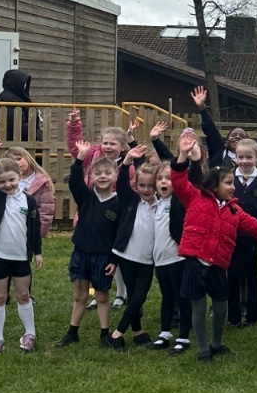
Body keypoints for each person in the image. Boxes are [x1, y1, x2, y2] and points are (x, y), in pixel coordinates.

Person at [171, 129, 257, 363]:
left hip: (219, 265)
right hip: (196, 263)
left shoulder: (234, 210)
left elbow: (255, 226)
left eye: (233, 183)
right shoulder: (195, 198)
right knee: (199, 306)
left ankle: (217, 343)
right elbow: (178, 181)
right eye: (228, 183)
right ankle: (203, 348)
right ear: (214, 185)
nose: (233, 188)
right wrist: (182, 156)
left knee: (221, 305)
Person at [55, 139, 133, 348]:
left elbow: (119, 236)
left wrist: (114, 260)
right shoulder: (86, 197)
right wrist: (80, 159)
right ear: (91, 177)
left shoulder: (118, 203)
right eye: (98, 173)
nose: (103, 176)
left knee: (101, 296)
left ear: (115, 176)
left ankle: (104, 333)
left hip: (103, 258)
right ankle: (72, 332)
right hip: (81, 254)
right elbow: (74, 182)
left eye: (107, 173)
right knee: (80, 295)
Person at [0, 137, 43, 352]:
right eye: (2, 182)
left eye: (12, 180)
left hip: (21, 257)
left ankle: (30, 334)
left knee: (23, 295)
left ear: (19, 176)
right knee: (0, 296)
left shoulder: (29, 201)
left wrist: (37, 252)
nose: (8, 185)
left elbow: (34, 228)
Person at [109, 149, 158, 349]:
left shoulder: (161, 205)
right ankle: (137, 332)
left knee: (139, 297)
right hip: (127, 256)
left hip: (147, 259)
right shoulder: (130, 200)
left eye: (150, 186)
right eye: (141, 185)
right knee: (132, 295)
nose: (146, 190)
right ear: (136, 185)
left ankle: (117, 332)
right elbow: (121, 184)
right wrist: (127, 161)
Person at [148, 127, 192, 353]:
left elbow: (183, 172)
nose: (163, 182)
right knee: (167, 296)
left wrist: (182, 155)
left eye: (168, 178)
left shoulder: (180, 201)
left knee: (182, 297)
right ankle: (165, 332)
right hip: (160, 260)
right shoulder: (155, 203)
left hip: (178, 258)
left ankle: (183, 336)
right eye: (159, 179)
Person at [226, 138, 257, 328]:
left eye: (249, 157)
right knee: (232, 274)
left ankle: (253, 313)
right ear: (235, 158)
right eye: (241, 157)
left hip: (252, 236)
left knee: (251, 273)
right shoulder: (229, 178)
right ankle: (233, 314)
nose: (244, 161)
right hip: (232, 235)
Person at [9, 148, 56, 240]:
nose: (17, 163)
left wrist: (38, 234)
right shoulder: (8, 182)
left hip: (30, 231)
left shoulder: (42, 182)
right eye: (12, 162)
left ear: (27, 157)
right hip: (10, 231)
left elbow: (46, 211)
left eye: (19, 159)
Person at [0, 68, 42, 142]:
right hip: (12, 141)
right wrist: (37, 135)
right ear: (16, 83)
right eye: (23, 83)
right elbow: (17, 125)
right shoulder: (9, 99)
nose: (25, 85)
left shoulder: (17, 96)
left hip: (16, 139)